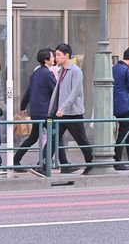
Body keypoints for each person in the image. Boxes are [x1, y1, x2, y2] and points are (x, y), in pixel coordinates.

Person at [30, 43, 93, 177]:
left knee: (81, 140)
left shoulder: (76, 71)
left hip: (72, 113)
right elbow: (57, 92)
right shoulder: (60, 70)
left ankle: (92, 164)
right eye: (56, 55)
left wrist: (62, 108)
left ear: (66, 55)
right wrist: (52, 110)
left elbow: (74, 93)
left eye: (58, 54)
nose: (56, 57)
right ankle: (42, 166)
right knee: (52, 139)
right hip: (60, 113)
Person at [15, 49, 70, 172]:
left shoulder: (36, 73)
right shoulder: (47, 74)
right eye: (52, 56)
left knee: (33, 138)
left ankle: (16, 160)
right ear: (46, 60)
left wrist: (23, 107)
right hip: (46, 112)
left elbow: (28, 92)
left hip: (36, 112)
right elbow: (57, 92)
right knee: (56, 136)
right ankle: (49, 163)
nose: (54, 58)